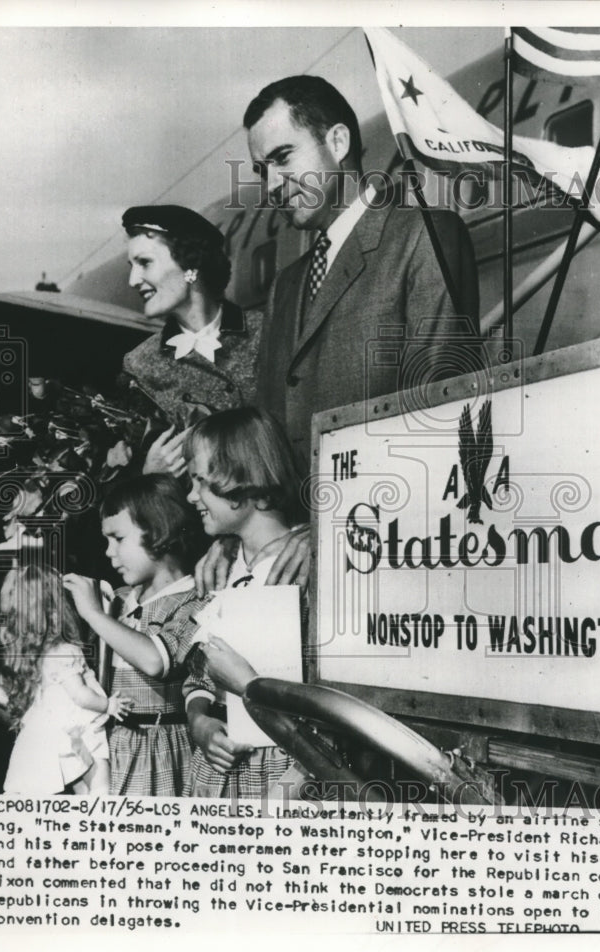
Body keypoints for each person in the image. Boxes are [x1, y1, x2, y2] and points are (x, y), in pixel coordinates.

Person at [195, 74, 481, 594]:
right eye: (261, 169)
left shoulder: (424, 237)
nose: (272, 184)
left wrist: (333, 526)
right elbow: (267, 437)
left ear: (339, 141)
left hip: (390, 561)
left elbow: (441, 417)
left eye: (283, 157)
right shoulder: (287, 286)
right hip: (294, 572)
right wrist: (239, 533)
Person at [182, 408, 306, 798]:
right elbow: (199, 675)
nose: (191, 496)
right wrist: (199, 721)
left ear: (243, 474)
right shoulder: (221, 565)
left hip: (286, 776)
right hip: (218, 771)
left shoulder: (307, 566)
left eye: (200, 481)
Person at [63, 474, 207, 796]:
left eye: (118, 539)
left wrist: (95, 615)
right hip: (116, 744)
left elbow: (156, 660)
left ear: (159, 530)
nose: (109, 553)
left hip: (159, 748)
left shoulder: (193, 600)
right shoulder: (121, 599)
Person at [121, 204, 263, 477]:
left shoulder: (267, 332)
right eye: (132, 266)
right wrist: (151, 472)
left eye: (145, 263)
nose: (133, 280)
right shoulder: (140, 364)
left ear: (190, 265)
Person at [0, 562, 131, 795]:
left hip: (55, 732)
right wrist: (108, 705)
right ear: (58, 609)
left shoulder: (38, 654)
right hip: (78, 729)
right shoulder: (65, 650)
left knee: (79, 784)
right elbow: (80, 695)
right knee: (100, 780)